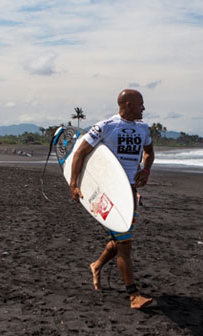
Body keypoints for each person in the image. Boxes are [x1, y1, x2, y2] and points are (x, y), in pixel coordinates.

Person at [69, 89, 154, 309]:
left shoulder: (143, 128)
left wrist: (146, 171)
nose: (144, 108)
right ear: (128, 105)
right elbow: (80, 152)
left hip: (129, 192)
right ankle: (133, 295)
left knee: (121, 237)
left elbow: (149, 152)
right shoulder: (106, 126)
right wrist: (74, 184)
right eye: (141, 104)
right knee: (124, 243)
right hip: (108, 192)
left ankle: (96, 266)